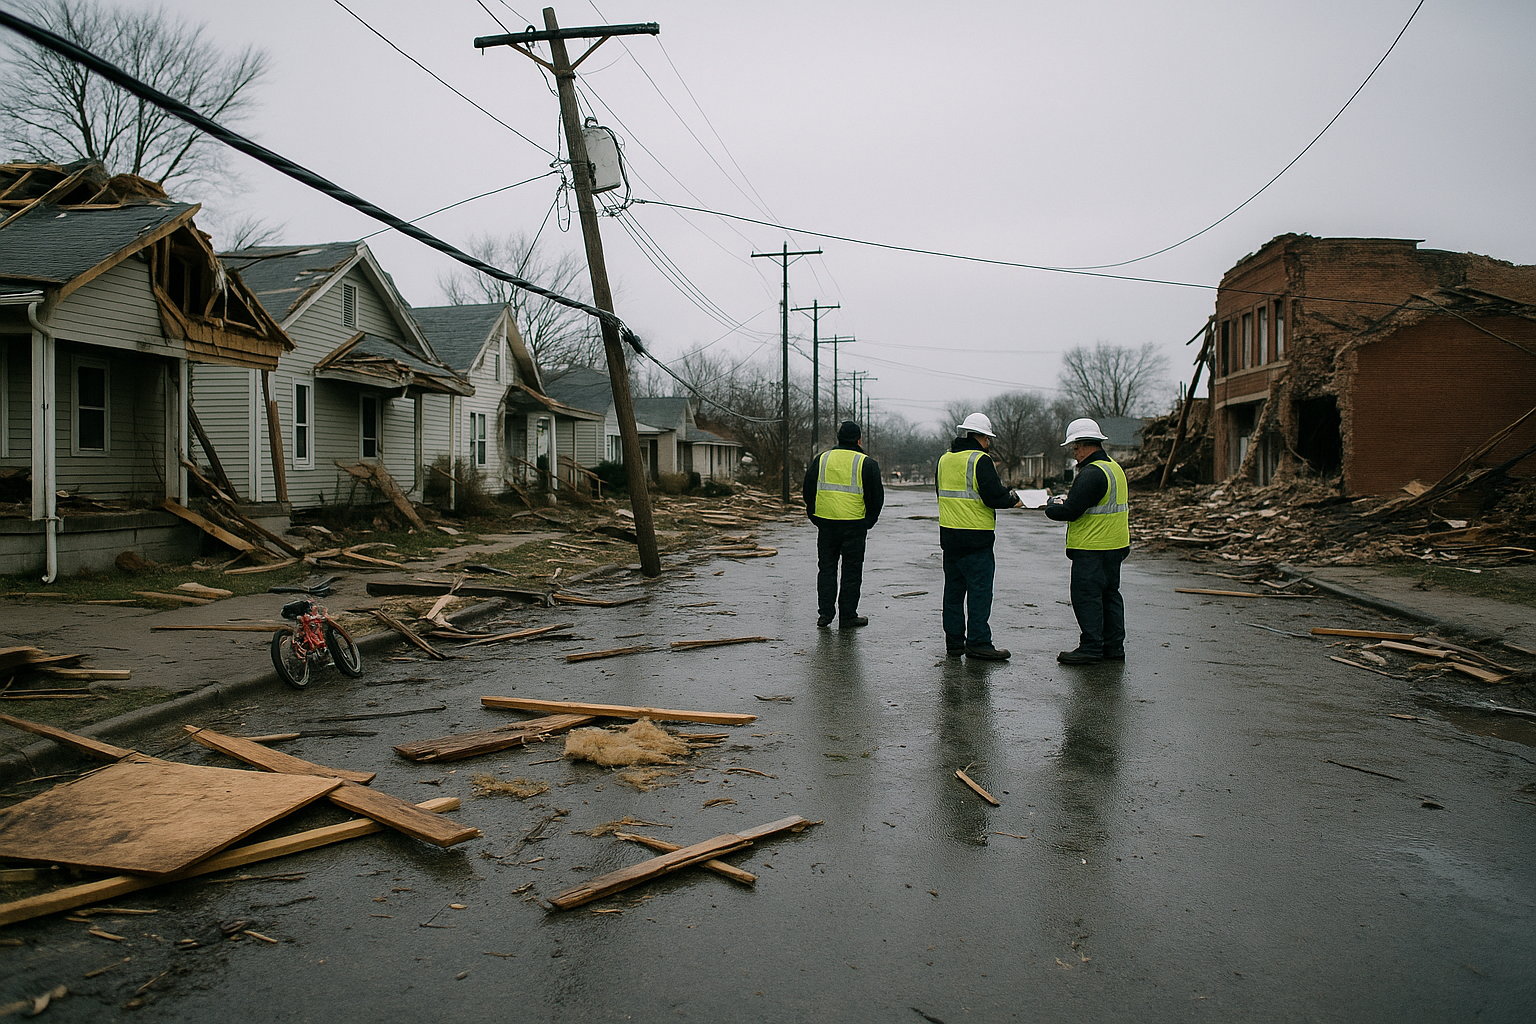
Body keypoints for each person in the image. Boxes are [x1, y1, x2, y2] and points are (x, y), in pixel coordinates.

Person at [936, 413, 1023, 660]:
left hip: (950, 537)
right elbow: (993, 495)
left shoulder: (944, 459)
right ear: (984, 438)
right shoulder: (980, 460)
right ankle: (978, 642)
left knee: (953, 594)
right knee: (979, 593)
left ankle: (954, 643)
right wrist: (1013, 500)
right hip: (976, 539)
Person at [1045, 418, 1130, 664]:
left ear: (1084, 445)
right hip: (1115, 545)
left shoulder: (1091, 473)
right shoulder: (1114, 468)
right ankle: (1113, 647)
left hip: (1092, 548)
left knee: (1087, 597)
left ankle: (1091, 647)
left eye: (1075, 447)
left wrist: (1051, 506)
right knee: (1110, 596)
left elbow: (1070, 510)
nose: (1074, 453)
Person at [803, 420, 884, 628]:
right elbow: (876, 498)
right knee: (852, 571)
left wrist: (815, 516)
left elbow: (808, 490)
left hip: (826, 524)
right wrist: (868, 522)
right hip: (854, 525)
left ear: (838, 438)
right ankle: (847, 616)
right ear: (859, 440)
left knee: (826, 569)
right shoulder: (867, 463)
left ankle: (825, 614)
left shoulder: (822, 459)